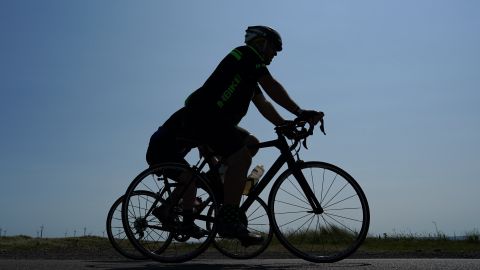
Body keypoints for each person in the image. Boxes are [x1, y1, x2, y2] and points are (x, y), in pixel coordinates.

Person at [147, 25, 322, 245]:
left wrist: (284, 124)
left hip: (214, 122)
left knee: (251, 143)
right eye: (274, 49)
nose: (275, 54)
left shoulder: (248, 75)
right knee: (241, 157)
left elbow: (263, 102)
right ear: (262, 43)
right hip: (205, 117)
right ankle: (229, 220)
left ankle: (220, 179)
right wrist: (299, 111)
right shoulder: (246, 55)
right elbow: (271, 85)